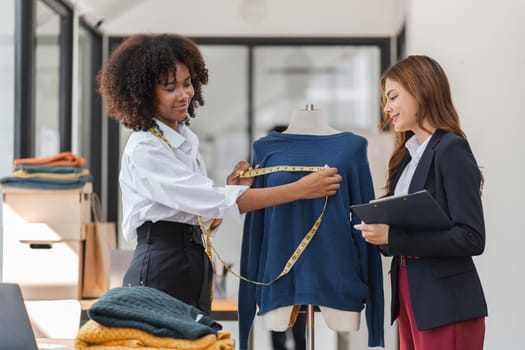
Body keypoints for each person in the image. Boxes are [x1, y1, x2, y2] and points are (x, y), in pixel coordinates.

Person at [96, 33, 343, 316]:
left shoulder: (183, 140)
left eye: (187, 83)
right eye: (170, 88)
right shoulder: (146, 148)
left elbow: (199, 212)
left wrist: (228, 189)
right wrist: (301, 189)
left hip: (192, 261)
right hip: (161, 268)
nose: (184, 94)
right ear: (144, 94)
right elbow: (213, 201)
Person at [354, 55, 487, 350]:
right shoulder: (407, 158)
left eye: (392, 97)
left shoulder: (451, 149)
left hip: (446, 304)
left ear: (421, 90)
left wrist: (394, 237)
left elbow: (471, 238)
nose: (386, 108)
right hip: (411, 296)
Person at [238, 107, 384, 350]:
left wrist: (375, 317)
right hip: (278, 279)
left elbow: (364, 224)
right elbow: (256, 231)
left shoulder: (352, 146)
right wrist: (247, 312)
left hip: (338, 277)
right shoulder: (264, 148)